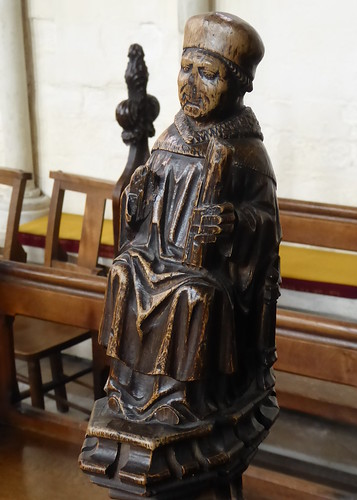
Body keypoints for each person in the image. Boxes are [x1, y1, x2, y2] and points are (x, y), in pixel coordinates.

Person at [99, 12, 281, 426]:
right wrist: (138, 197)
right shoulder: (172, 135)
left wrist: (233, 222)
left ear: (237, 85)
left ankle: (185, 400)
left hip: (210, 275)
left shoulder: (247, 152)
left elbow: (268, 228)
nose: (191, 84)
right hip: (156, 256)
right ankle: (128, 387)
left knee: (195, 297)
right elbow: (139, 217)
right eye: (186, 69)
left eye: (208, 74)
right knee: (124, 272)